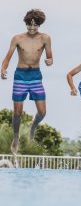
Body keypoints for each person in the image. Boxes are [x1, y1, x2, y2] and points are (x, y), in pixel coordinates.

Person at [1, 9, 53, 155]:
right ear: (26, 23)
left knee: (42, 112)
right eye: (29, 25)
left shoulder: (45, 38)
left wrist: (49, 61)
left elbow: (50, 57)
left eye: (35, 25)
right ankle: (16, 137)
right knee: (17, 112)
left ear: (39, 25)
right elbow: (7, 57)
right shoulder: (17, 38)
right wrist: (3, 69)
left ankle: (33, 126)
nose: (32, 28)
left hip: (36, 76)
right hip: (20, 76)